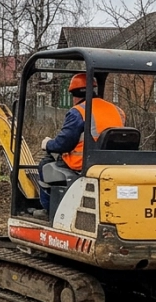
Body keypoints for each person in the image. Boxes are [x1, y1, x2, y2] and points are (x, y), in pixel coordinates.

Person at [38, 73, 125, 211]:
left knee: (45, 164)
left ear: (74, 95)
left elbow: (64, 143)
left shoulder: (78, 112)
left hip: (83, 163)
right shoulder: (118, 111)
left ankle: (49, 210)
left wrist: (48, 144)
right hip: (114, 162)